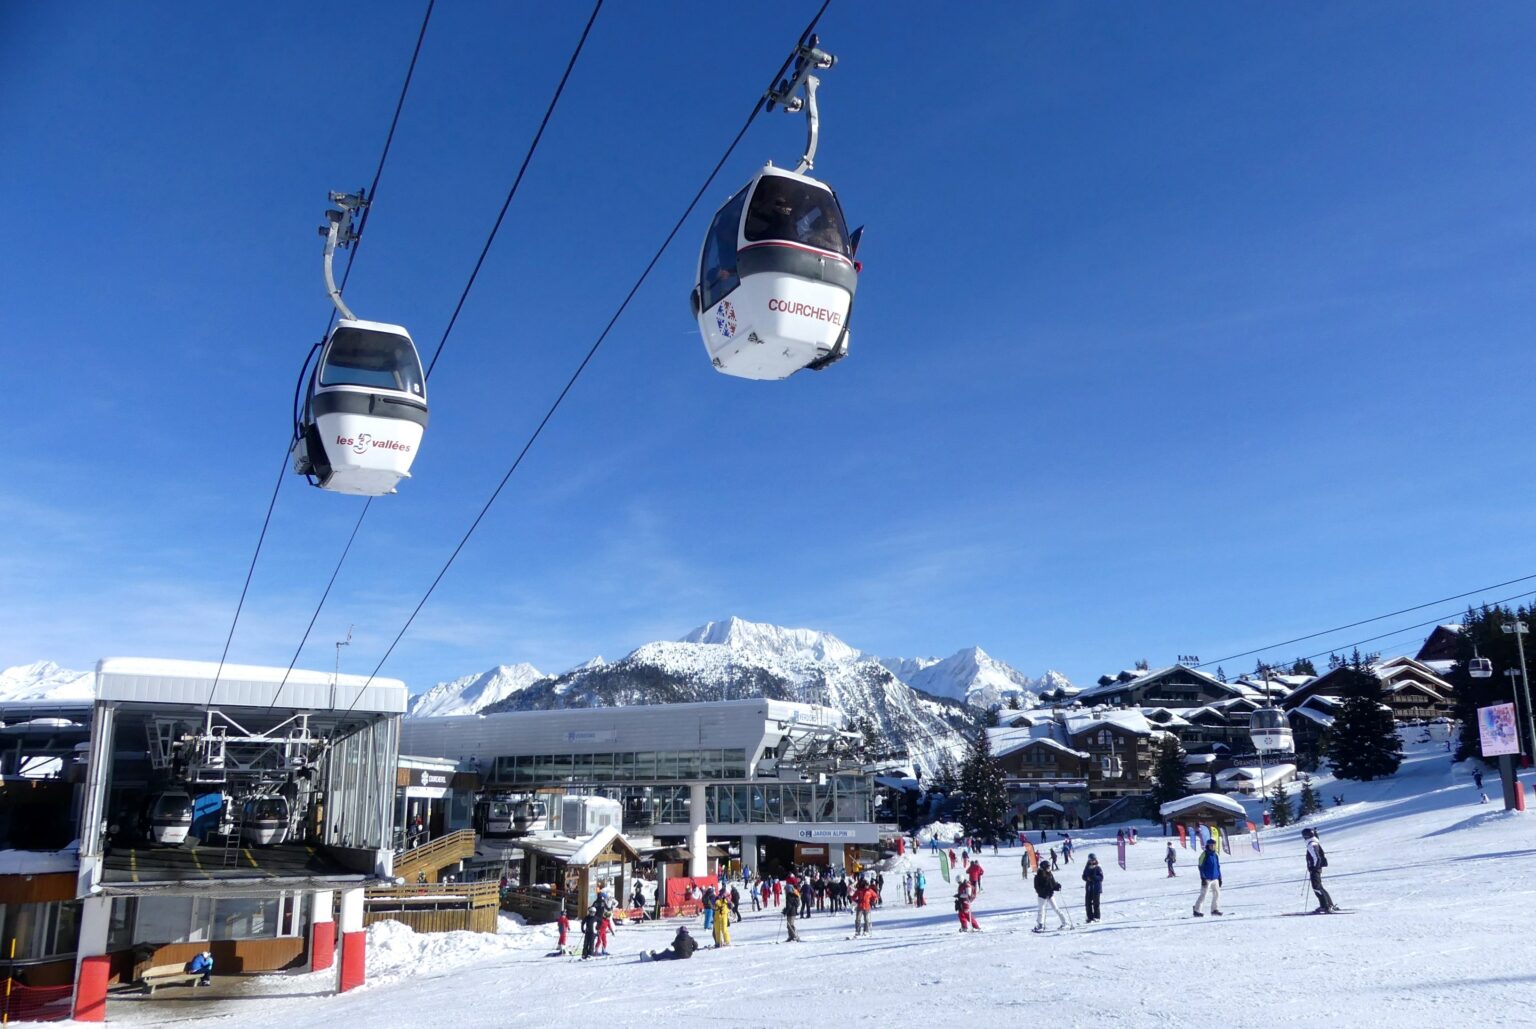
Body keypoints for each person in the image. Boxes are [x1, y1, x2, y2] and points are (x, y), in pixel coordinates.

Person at [1303, 828, 1339, 913]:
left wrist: (1313, 867)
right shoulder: (1314, 842)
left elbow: (1316, 857)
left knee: (1317, 887)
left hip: (1315, 869)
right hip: (1317, 868)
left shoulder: (1311, 844)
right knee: (1319, 887)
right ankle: (1328, 905)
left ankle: (1326, 906)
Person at [1032, 862, 1069, 932]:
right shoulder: (1038, 876)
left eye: (1049, 867)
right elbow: (1037, 887)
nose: (1049, 868)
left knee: (1056, 909)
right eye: (1048, 867)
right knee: (1041, 910)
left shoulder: (1050, 874)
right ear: (1043, 867)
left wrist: (1057, 886)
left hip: (1050, 895)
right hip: (1042, 896)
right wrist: (1044, 891)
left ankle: (1065, 923)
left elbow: (1053, 884)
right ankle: (1040, 924)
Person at [1193, 839, 1223, 917]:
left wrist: (1219, 877)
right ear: (1208, 845)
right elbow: (1200, 866)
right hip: (1207, 878)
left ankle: (1214, 910)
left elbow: (1218, 867)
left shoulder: (1215, 855)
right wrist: (1203, 878)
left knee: (1217, 894)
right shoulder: (1204, 854)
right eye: (1211, 845)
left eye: (1214, 845)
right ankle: (1197, 910)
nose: (1212, 846)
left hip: (1215, 878)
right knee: (1204, 894)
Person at [1082, 854, 1104, 923]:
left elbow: (1101, 877)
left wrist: (1094, 878)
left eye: (1093, 860)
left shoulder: (1098, 867)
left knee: (1096, 903)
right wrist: (1086, 878)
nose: (1092, 861)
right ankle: (1090, 917)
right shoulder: (1087, 867)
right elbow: (1083, 876)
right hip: (1089, 888)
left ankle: (1097, 917)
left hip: (1096, 888)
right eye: (1091, 860)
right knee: (1088, 903)